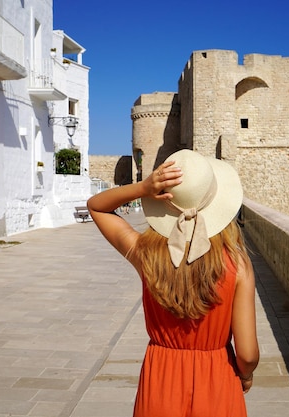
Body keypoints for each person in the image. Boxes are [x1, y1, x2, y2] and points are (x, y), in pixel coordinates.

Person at [87, 149, 260, 417]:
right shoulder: (237, 265)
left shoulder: (146, 255)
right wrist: (245, 375)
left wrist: (143, 187)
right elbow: (247, 354)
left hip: (160, 381)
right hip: (218, 381)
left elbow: (97, 206)